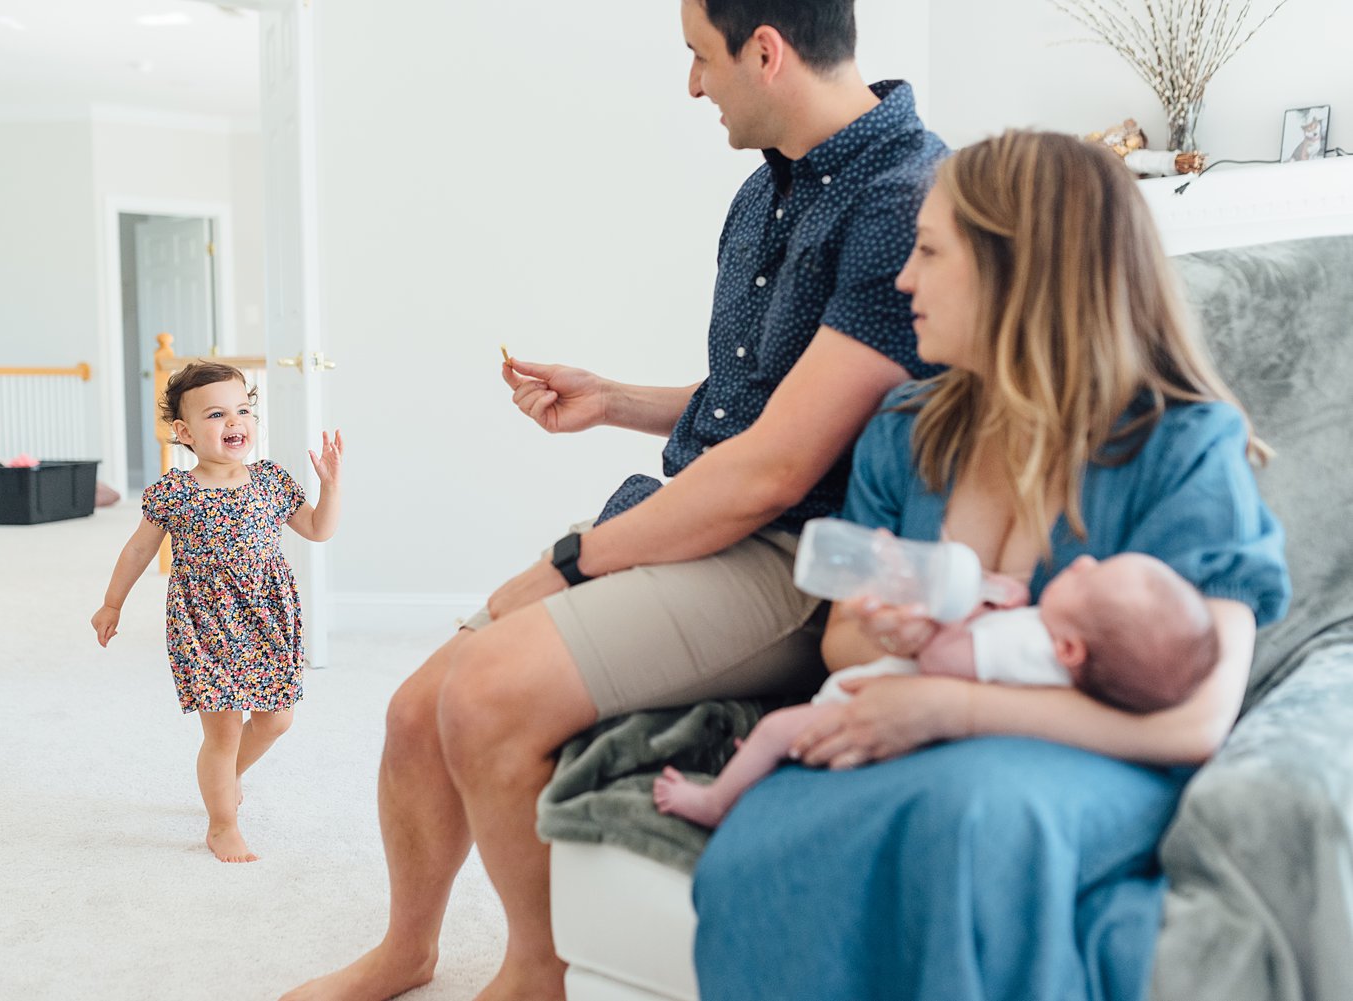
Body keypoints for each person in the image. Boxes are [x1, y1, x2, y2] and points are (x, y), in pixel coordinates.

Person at [281, 1, 947, 998]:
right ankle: (408, 949)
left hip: (796, 553)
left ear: (765, 51)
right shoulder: (765, 192)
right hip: (707, 510)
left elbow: (775, 468)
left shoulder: (903, 200)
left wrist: (569, 559)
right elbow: (756, 406)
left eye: (698, 58)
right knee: (416, 711)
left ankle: (535, 970)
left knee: (486, 690)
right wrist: (616, 401)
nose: (691, 85)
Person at [689, 129, 1291, 1001]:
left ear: (1023, 269)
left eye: (929, 252)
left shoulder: (1184, 446)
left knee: (971, 826)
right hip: (912, 727)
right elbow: (845, 643)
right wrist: (898, 628)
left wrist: (950, 704)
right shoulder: (908, 426)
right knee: (751, 855)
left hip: (1090, 759)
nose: (903, 281)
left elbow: (1195, 718)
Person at [654, 551, 1219, 828]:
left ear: (1072, 651)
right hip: (899, 725)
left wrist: (954, 610)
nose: (1085, 562)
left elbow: (946, 659)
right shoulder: (1056, 659)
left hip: (874, 712)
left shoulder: (1031, 648)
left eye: (1090, 578)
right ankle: (764, 765)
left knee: (777, 728)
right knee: (789, 735)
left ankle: (713, 802)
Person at [90, 361, 343, 864]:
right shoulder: (174, 492)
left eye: (243, 410)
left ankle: (228, 779)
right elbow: (138, 551)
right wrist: (112, 602)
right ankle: (221, 823)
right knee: (222, 731)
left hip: (268, 618)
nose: (235, 422)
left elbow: (317, 530)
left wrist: (331, 487)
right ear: (183, 432)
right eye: (216, 414)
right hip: (204, 624)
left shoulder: (272, 480)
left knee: (276, 720)